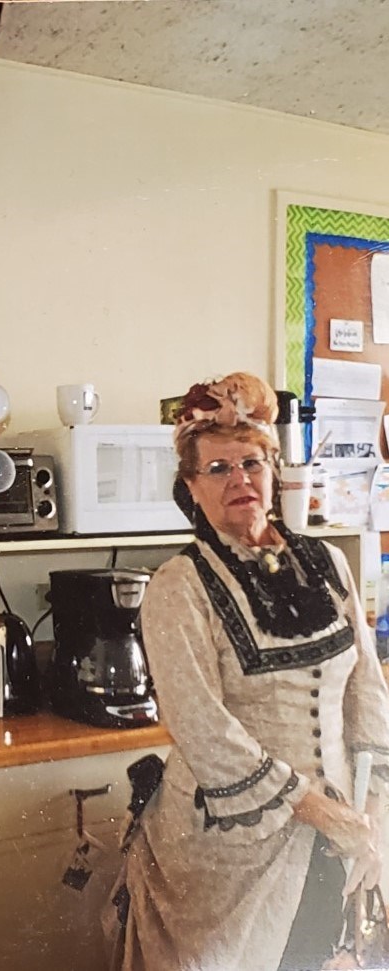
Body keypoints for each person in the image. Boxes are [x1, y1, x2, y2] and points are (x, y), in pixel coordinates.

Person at [106, 372, 389, 971]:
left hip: (336, 840)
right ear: (191, 487)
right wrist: (322, 810)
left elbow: (368, 690)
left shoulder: (329, 562)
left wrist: (375, 816)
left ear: (273, 469)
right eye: (218, 468)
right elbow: (203, 730)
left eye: (253, 462)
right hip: (226, 858)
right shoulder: (178, 586)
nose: (240, 479)